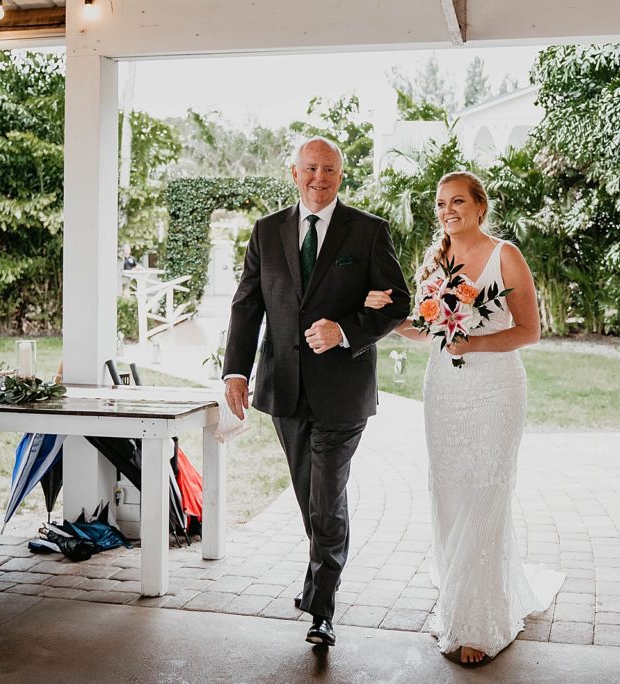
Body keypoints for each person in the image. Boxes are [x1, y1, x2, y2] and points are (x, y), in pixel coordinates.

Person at [363, 171, 564, 665]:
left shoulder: (505, 255)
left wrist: (473, 342)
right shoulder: (437, 260)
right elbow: (428, 330)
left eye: (457, 201)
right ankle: (460, 589)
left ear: (480, 207)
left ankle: (477, 622)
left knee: (485, 491)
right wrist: (380, 318)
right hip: (444, 390)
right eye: (440, 203)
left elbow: (530, 330)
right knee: (450, 491)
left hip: (495, 389)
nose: (447, 210)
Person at [222, 136, 410, 648]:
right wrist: (235, 371)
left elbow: (398, 303)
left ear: (340, 176)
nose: (319, 177)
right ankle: (317, 581)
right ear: (294, 172)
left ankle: (322, 609)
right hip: (284, 387)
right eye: (310, 168)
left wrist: (345, 329)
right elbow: (247, 306)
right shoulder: (266, 231)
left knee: (326, 496)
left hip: (343, 392)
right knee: (311, 496)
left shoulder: (368, 232)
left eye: (329, 169)